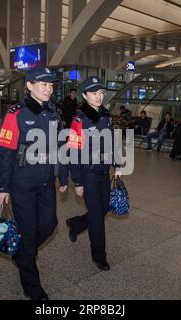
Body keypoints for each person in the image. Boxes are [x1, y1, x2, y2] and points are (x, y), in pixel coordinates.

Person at [0, 67, 68, 300]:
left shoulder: (54, 115)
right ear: (29, 86)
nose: (48, 89)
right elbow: (5, 152)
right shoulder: (16, 113)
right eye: (43, 84)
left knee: (49, 225)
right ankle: (32, 288)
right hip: (23, 182)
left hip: (46, 181)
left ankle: (23, 254)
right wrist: (2, 187)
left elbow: (59, 149)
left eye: (51, 85)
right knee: (27, 231)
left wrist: (63, 177)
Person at [65, 76, 122, 272]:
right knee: (97, 218)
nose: (98, 97)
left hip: (103, 172)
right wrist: (77, 182)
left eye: (100, 93)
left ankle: (77, 224)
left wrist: (118, 165)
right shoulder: (79, 120)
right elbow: (73, 151)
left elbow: (111, 143)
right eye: (94, 93)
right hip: (87, 173)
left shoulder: (106, 116)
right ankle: (99, 256)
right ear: (84, 96)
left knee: (104, 209)